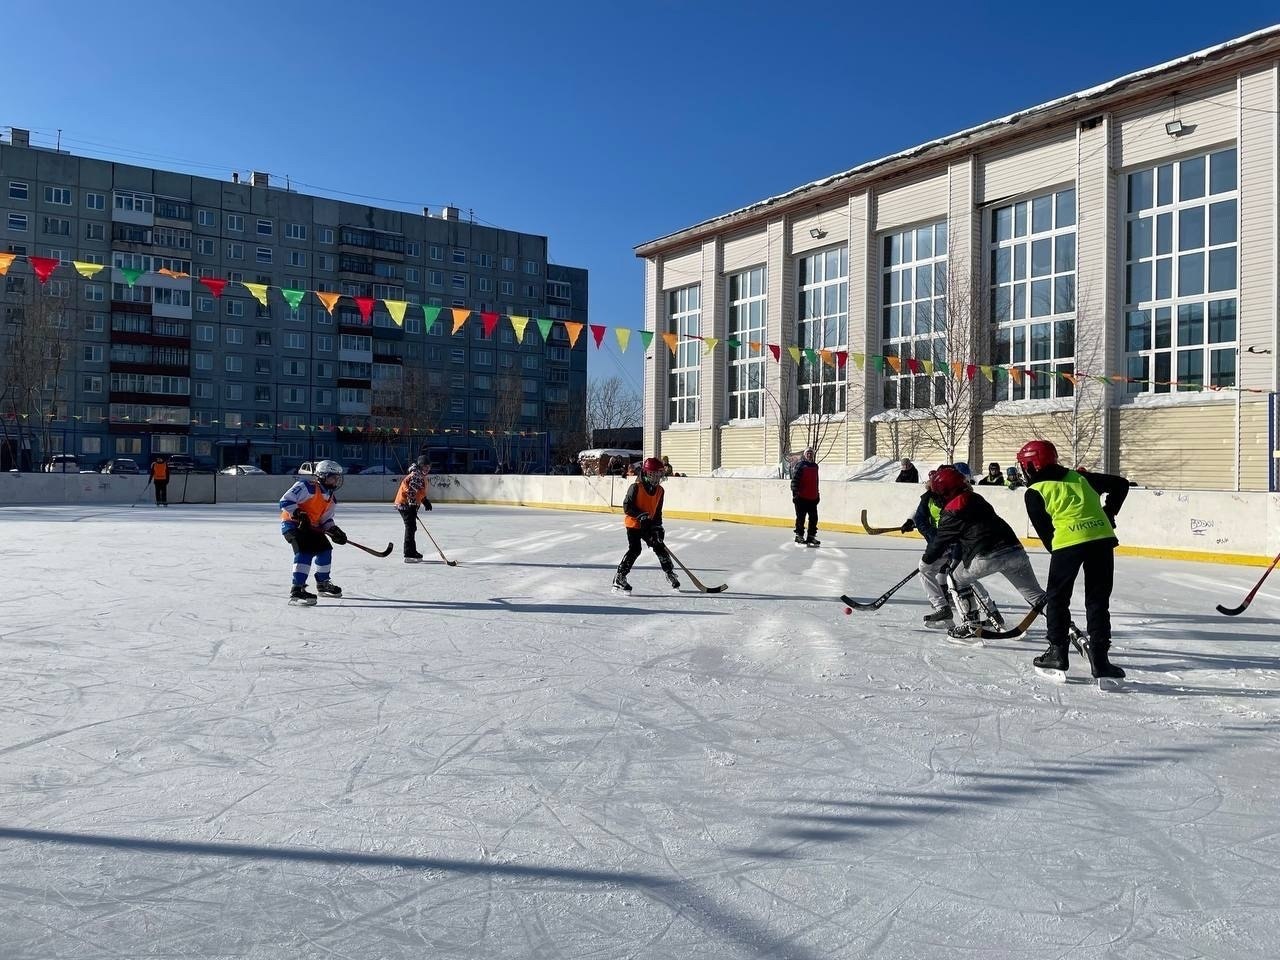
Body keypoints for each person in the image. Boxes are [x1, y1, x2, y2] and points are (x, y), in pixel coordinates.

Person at [1017, 440, 1129, 681]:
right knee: (1098, 600)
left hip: (1068, 544)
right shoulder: (1079, 478)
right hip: (1101, 539)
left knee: (1058, 599)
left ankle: (1057, 653)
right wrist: (1108, 513)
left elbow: (1047, 535)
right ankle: (1100, 660)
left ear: (1032, 465)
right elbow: (1121, 484)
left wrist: (1060, 551)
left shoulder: (1034, 491)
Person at [921, 465, 1048, 643]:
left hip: (987, 555)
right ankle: (1066, 628)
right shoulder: (976, 498)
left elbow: (939, 542)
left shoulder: (951, 510)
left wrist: (925, 562)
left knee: (956, 578)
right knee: (1036, 596)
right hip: (1015, 550)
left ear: (944, 492)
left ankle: (971, 625)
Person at [902, 469, 996, 631]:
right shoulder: (927, 498)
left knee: (962, 576)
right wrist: (911, 522)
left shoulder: (954, 496)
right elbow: (920, 516)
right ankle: (942, 609)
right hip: (940, 541)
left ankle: (991, 613)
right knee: (926, 569)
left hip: (958, 541)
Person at [278, 459, 348, 605]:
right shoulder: (307, 486)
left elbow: (325, 520)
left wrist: (334, 530)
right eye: (332, 476)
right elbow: (285, 501)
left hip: (311, 528)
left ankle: (323, 583)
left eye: (337, 477)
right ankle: (297, 588)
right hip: (293, 525)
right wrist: (298, 513)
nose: (336, 480)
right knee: (304, 551)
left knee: (325, 550)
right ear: (322, 476)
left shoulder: (331, 498)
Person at [613, 457, 679, 592]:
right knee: (635, 550)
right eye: (653, 475)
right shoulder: (636, 487)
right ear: (646, 473)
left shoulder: (660, 490)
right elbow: (627, 507)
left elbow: (657, 512)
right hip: (634, 524)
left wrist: (658, 527)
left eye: (658, 475)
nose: (656, 478)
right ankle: (619, 577)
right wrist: (640, 515)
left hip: (648, 524)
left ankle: (670, 573)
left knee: (660, 547)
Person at [394, 455, 433, 562]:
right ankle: (409, 552)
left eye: (428, 467)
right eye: (425, 466)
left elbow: (418, 491)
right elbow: (410, 492)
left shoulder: (420, 475)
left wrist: (424, 500)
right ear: (420, 466)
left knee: (412, 527)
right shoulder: (416, 475)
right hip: (405, 504)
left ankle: (411, 551)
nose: (427, 469)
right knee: (410, 527)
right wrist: (411, 506)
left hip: (407, 504)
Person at [790, 447, 821, 546]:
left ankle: (811, 537)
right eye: (808, 453)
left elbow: (816, 481)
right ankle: (799, 536)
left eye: (811, 453)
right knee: (801, 518)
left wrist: (817, 494)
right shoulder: (800, 465)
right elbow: (795, 481)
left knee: (814, 518)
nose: (809, 455)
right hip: (801, 497)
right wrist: (795, 495)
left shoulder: (815, 466)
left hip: (813, 498)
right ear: (804, 454)